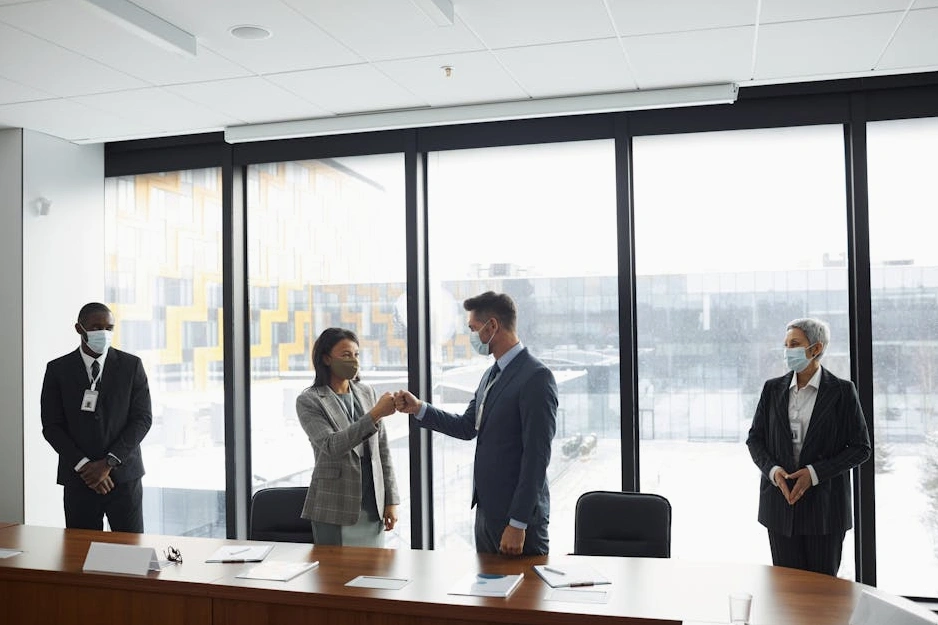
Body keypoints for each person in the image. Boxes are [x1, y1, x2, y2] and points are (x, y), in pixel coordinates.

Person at [394, 291, 558, 556]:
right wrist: (419, 408)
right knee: (487, 594)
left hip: (518, 521)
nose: (471, 336)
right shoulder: (491, 374)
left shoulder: (536, 377)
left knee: (523, 596)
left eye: (473, 328)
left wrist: (518, 523)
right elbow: (467, 426)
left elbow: (537, 457)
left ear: (492, 326)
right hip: (487, 514)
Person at [746, 317, 871, 576]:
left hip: (825, 511)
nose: (787, 350)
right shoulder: (772, 389)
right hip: (780, 506)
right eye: (786, 344)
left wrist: (813, 474)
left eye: (795, 344)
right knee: (786, 593)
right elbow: (755, 439)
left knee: (822, 596)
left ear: (816, 348)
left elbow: (861, 447)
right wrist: (773, 471)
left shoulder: (843, 392)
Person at [40, 302, 152, 532]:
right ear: (79, 329)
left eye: (109, 328)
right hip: (79, 480)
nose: (104, 333)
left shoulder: (131, 366)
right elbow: (52, 427)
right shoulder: (58, 369)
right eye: (96, 327)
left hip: (124, 478)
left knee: (131, 556)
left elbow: (142, 419)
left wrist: (108, 463)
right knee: (80, 556)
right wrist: (85, 467)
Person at [297, 327, 400, 546]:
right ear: (326, 359)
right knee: (336, 576)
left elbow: (382, 451)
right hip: (334, 504)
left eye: (356, 355)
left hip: (373, 504)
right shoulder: (310, 400)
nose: (353, 361)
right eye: (346, 355)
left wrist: (391, 500)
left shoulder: (366, 392)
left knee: (373, 574)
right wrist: (375, 414)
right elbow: (332, 445)